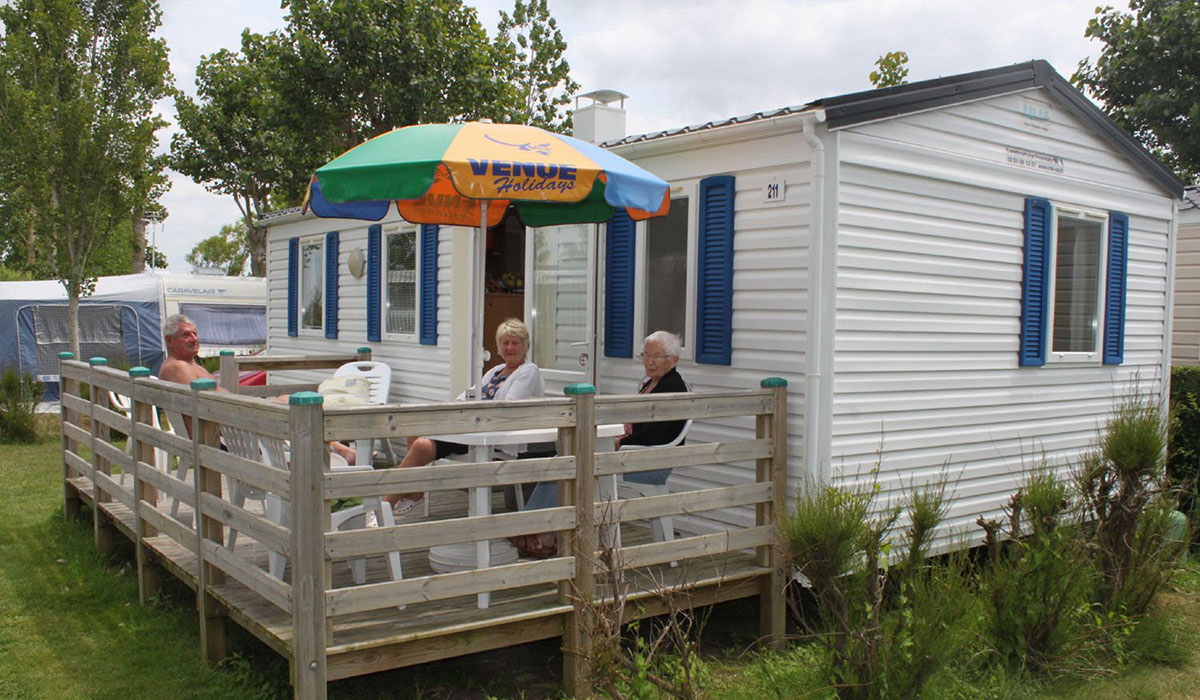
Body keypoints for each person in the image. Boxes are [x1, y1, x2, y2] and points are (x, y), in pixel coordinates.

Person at [512, 330, 689, 558]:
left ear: (673, 360)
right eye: (646, 355)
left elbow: (654, 434)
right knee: (568, 460)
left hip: (649, 460)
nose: (650, 361)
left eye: (657, 356)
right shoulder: (651, 383)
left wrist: (620, 442)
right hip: (632, 452)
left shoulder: (672, 387)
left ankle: (534, 529)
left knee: (570, 463)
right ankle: (539, 530)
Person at [382, 318, 544, 519]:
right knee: (415, 430)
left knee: (422, 446)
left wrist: (471, 412)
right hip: (471, 429)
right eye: (505, 342)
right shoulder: (495, 371)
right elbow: (468, 395)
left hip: (494, 437)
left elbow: (506, 408)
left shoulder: (529, 371)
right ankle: (413, 492)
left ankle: (385, 507)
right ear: (499, 346)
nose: (509, 347)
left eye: (515, 342)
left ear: (525, 345)